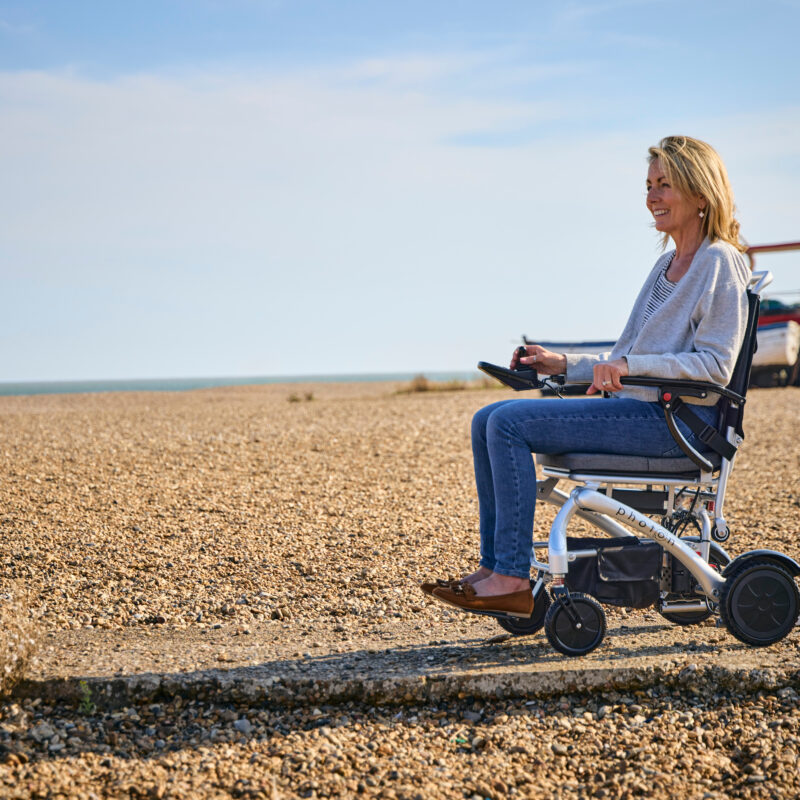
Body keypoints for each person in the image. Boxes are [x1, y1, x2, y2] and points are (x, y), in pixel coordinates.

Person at [422, 135, 751, 618]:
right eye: (649, 185)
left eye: (665, 186)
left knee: (508, 423)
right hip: (638, 410)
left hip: (676, 424)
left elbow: (715, 366)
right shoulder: (665, 266)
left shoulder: (719, 262)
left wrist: (629, 368)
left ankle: (511, 576)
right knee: (486, 418)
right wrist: (562, 364)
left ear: (700, 195)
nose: (652, 197)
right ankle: (496, 567)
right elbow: (624, 355)